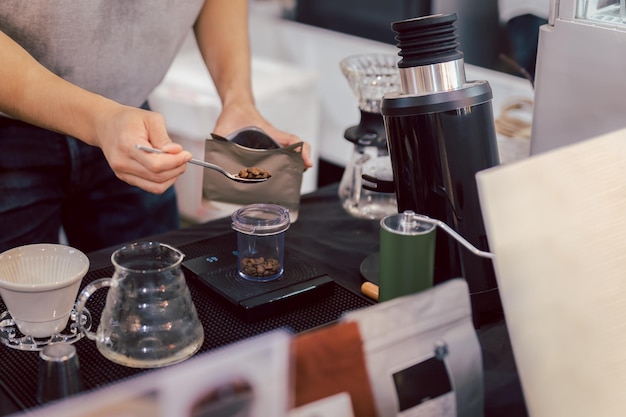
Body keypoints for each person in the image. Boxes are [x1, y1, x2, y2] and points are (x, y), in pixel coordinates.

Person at [0, 1, 312, 254]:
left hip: (131, 124)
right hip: (10, 131)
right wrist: (99, 118)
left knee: (153, 290)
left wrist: (239, 101)